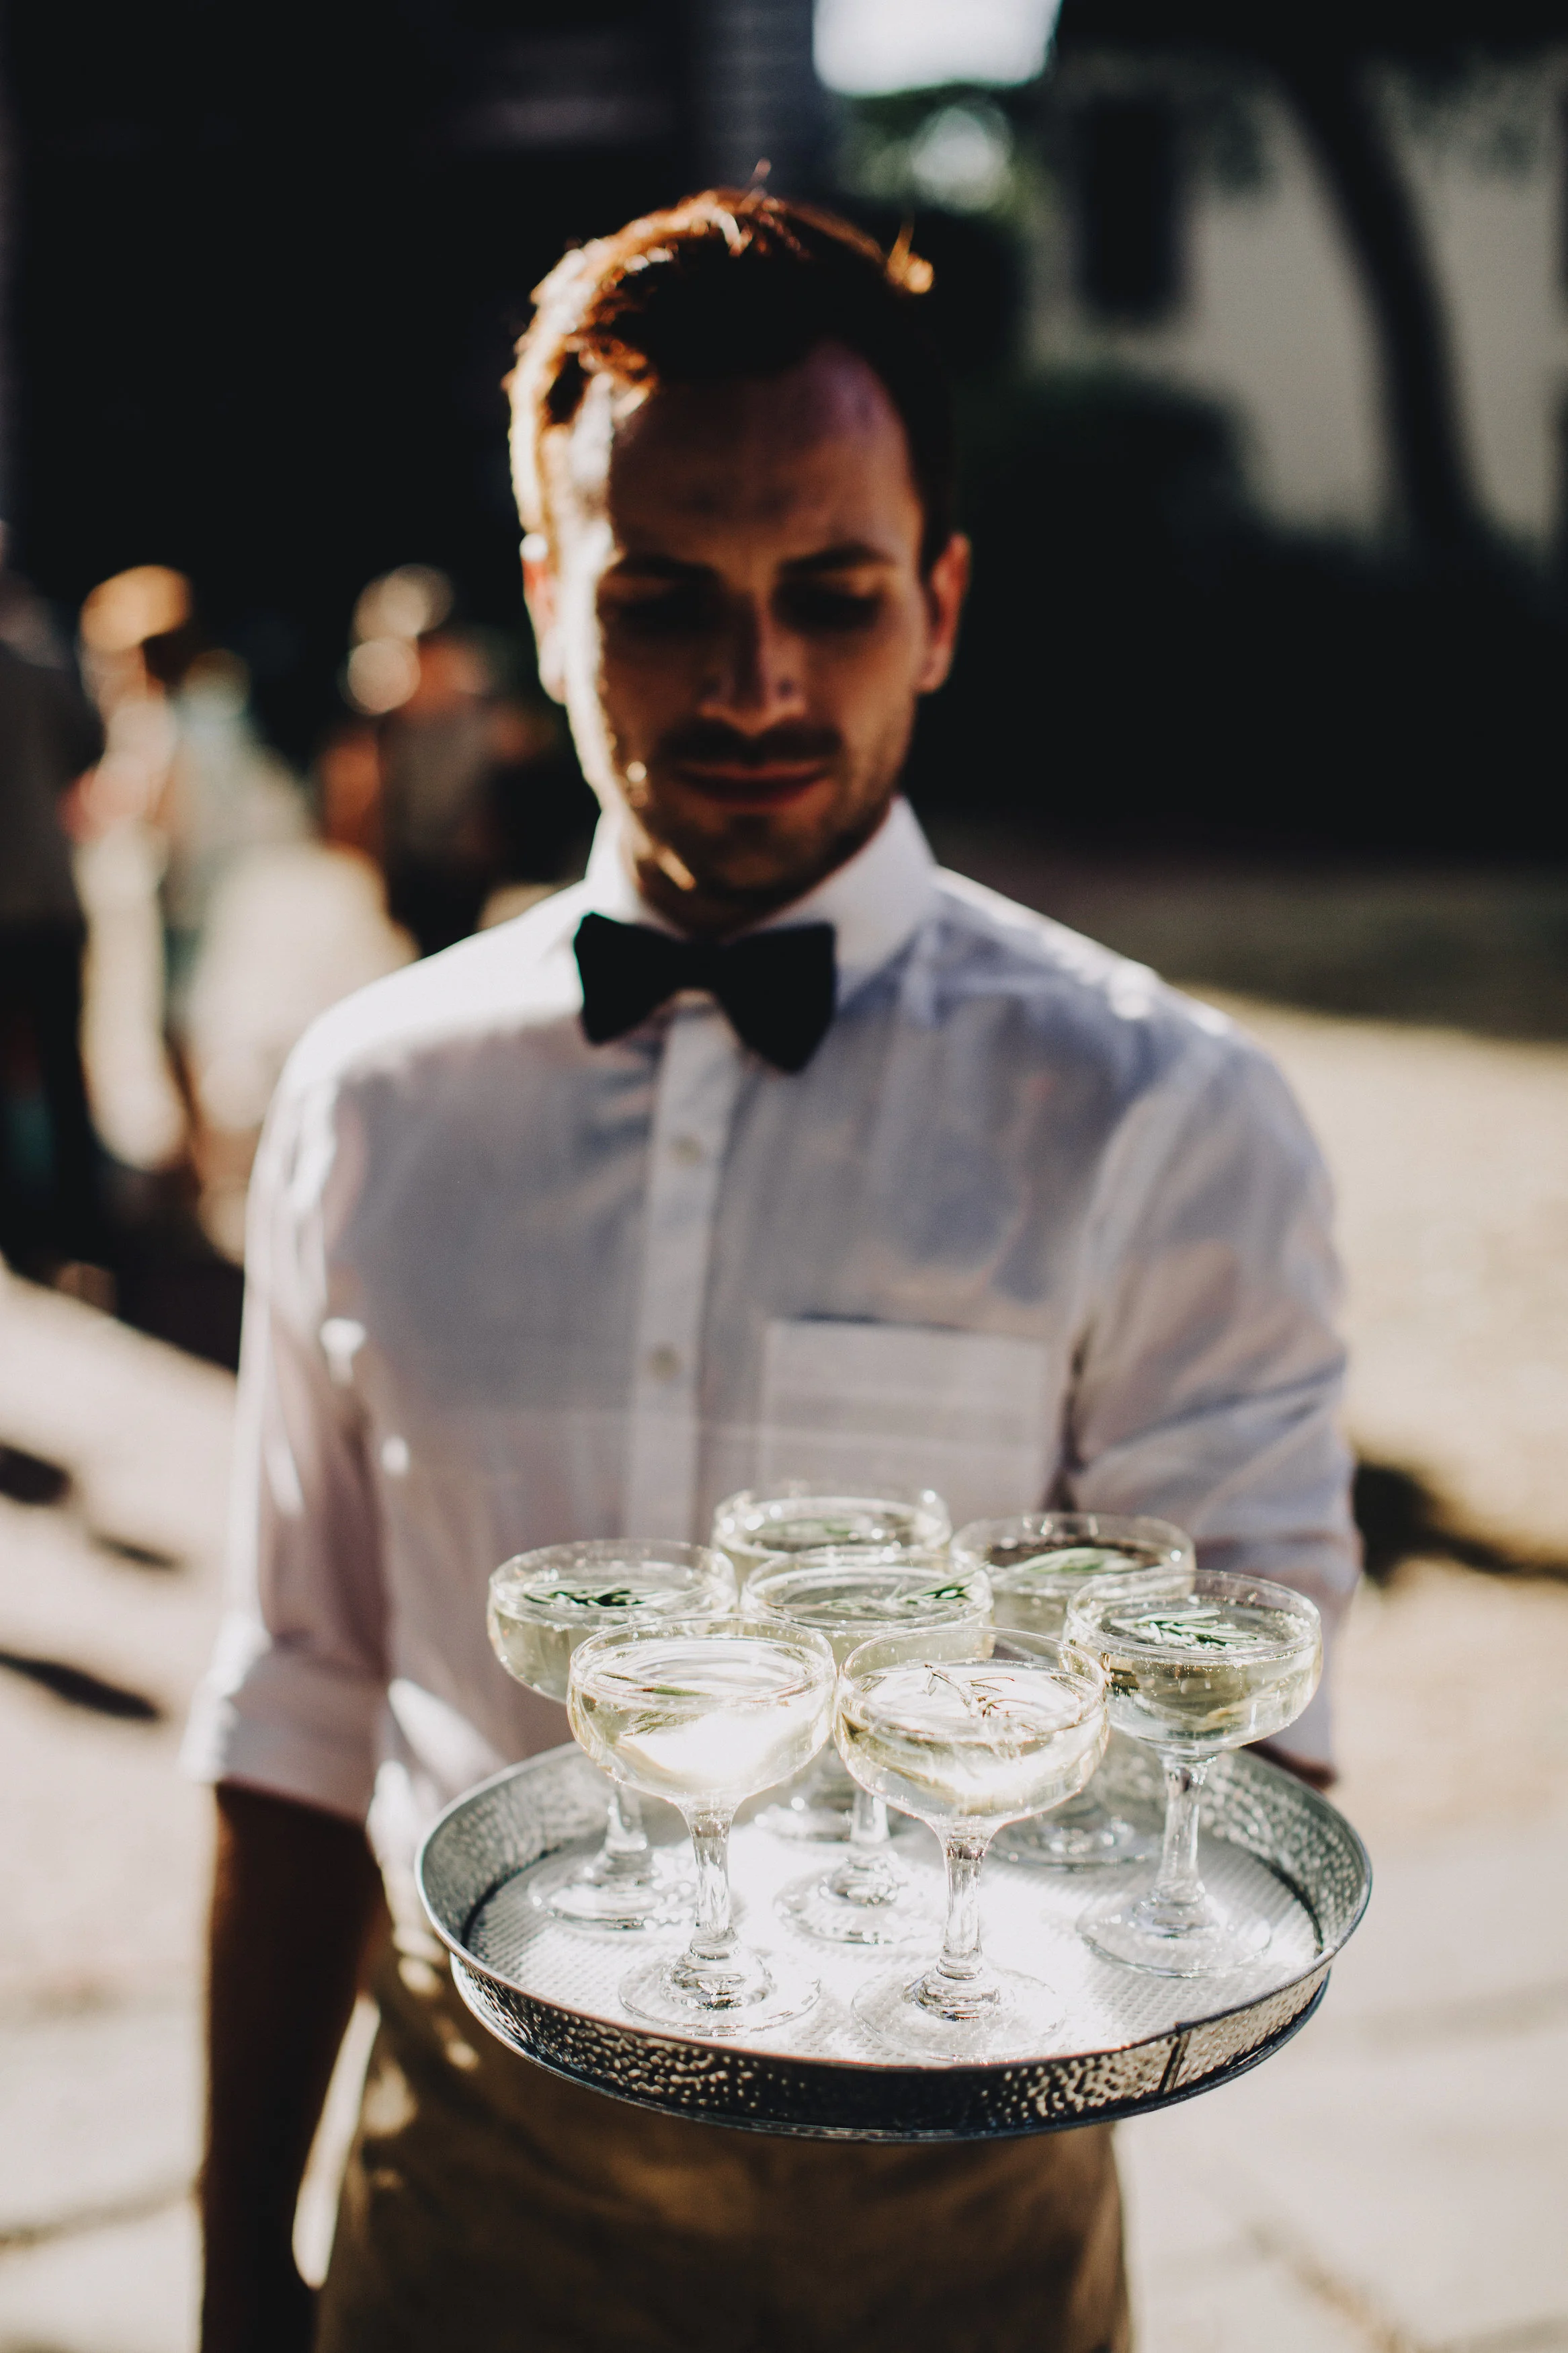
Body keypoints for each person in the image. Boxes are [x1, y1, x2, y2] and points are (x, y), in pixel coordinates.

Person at [185, 190, 1358, 2353]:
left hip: (962, 2271)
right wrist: (232, 2276)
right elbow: (296, 1721)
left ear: (942, 605)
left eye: (830, 592)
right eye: (661, 598)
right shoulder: (367, 1098)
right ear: (546, 600)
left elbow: (1252, 1771)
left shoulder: (1165, 1116)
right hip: (450, 2240)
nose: (751, 680)